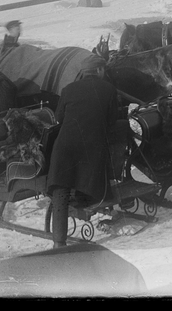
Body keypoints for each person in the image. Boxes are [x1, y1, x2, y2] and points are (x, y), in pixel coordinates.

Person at [47, 64, 120, 249]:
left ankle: (58, 242)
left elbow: (59, 118)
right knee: (86, 183)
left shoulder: (68, 89)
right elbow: (112, 121)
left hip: (65, 147)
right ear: (99, 71)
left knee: (60, 193)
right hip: (92, 148)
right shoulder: (109, 89)